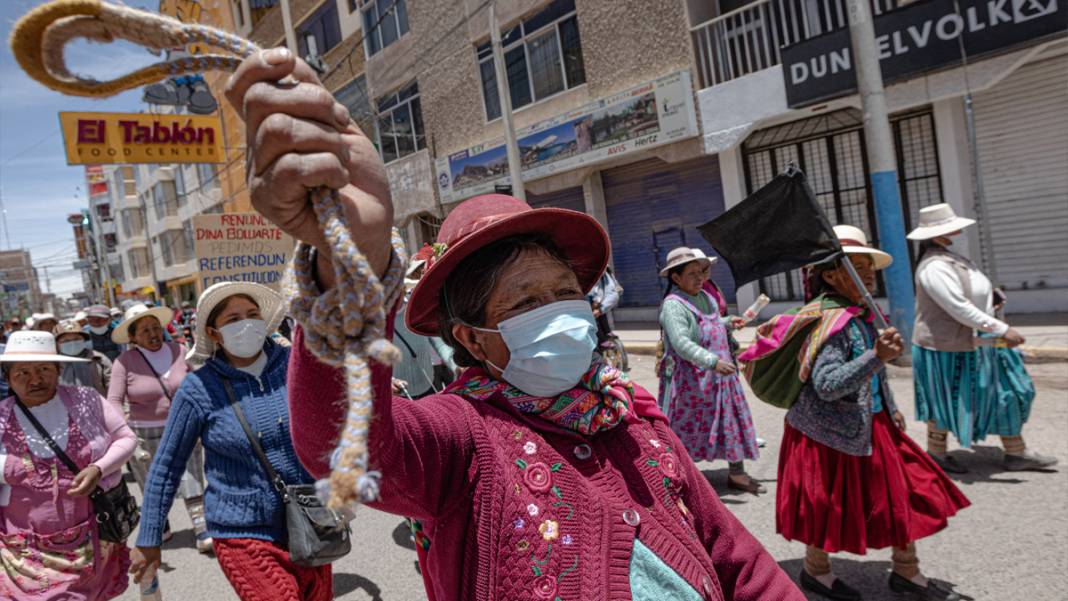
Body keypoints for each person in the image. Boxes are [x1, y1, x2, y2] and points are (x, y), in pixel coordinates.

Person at [225, 47, 803, 601]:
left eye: (566, 293)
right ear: (473, 338)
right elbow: (343, 448)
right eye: (525, 302)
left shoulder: (633, 419)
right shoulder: (461, 436)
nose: (559, 311)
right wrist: (352, 261)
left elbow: (736, 558)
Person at [744, 225, 969, 601]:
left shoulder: (861, 314)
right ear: (832, 275)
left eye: (870, 266)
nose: (869, 273)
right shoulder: (832, 323)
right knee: (824, 506)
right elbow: (829, 385)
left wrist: (892, 407)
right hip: (826, 432)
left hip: (873, 425)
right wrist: (876, 356)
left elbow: (873, 375)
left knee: (902, 497)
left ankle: (907, 572)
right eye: (858, 266)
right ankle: (817, 573)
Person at [129, 283, 328, 600]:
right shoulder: (198, 389)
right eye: (233, 319)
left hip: (309, 520)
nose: (246, 324)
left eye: (252, 315)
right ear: (214, 333)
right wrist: (150, 537)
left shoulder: (296, 365)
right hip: (241, 533)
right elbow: (166, 467)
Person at [907, 204, 1056, 473]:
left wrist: (990, 299)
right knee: (945, 400)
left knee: (1009, 391)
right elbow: (957, 307)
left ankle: (1016, 451)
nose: (961, 232)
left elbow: (969, 297)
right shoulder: (933, 267)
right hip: (945, 347)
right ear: (940, 235)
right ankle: (936, 454)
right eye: (954, 228)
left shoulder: (954, 259)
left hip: (979, 342)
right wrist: (1001, 329)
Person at [0, 330, 136, 600]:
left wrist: (99, 468)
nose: (35, 379)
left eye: (43, 369)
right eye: (22, 373)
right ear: (7, 378)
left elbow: (126, 438)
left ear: (58, 368)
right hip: (24, 553)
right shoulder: (2, 418)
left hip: (90, 542)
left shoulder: (88, 400)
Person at [658, 247, 763, 494]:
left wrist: (729, 322)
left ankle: (737, 473)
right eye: (692, 273)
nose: (699, 278)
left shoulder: (707, 297)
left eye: (700, 272)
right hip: (693, 384)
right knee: (688, 430)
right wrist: (712, 361)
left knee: (732, 424)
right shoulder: (674, 306)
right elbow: (681, 343)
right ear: (676, 278)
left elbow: (711, 322)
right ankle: (683, 479)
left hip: (722, 377)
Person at [107, 303, 209, 551]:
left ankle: (201, 526)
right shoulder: (124, 362)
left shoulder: (180, 350)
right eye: (144, 331)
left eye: (155, 328)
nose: (152, 334)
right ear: (132, 337)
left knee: (192, 477)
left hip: (185, 427)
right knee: (154, 482)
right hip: (144, 433)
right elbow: (114, 400)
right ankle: (160, 524)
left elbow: (202, 383)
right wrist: (124, 434)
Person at [393, 257, 459, 398]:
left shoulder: (415, 310)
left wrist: (454, 364)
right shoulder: (375, 321)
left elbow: (437, 341)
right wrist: (388, 381)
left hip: (428, 384)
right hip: (399, 395)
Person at [56, 319, 113, 396]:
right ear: (57, 344)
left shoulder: (98, 358)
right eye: (66, 341)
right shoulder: (53, 363)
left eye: (76, 339)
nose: (72, 343)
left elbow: (112, 385)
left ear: (83, 340)